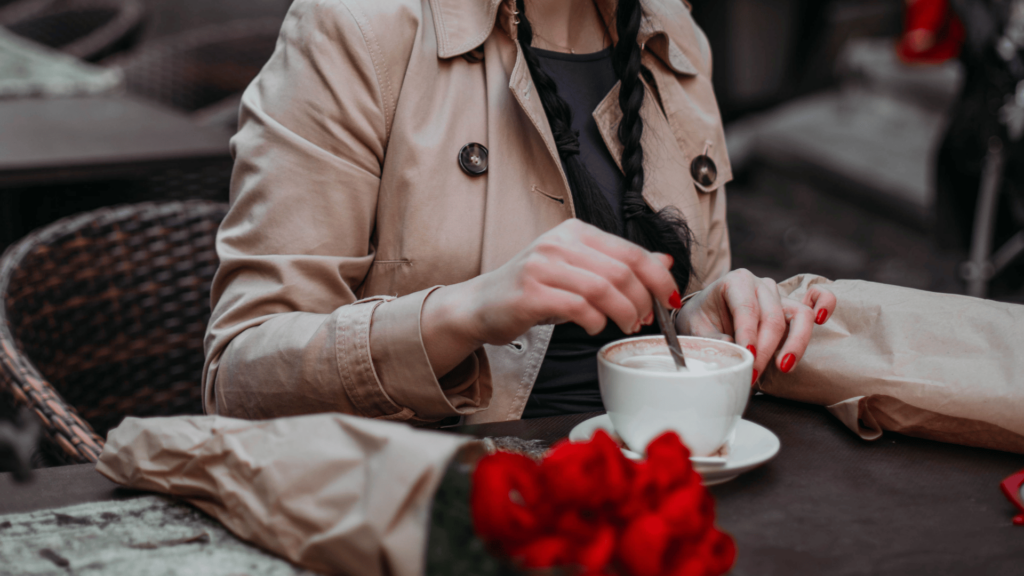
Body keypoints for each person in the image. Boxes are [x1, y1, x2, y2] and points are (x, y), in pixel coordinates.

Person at [202, 0, 836, 425]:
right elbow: (237, 378)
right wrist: (467, 310)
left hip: (664, 492)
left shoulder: (674, 31)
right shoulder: (355, 25)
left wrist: (710, 317)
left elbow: (674, 314)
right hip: (443, 510)